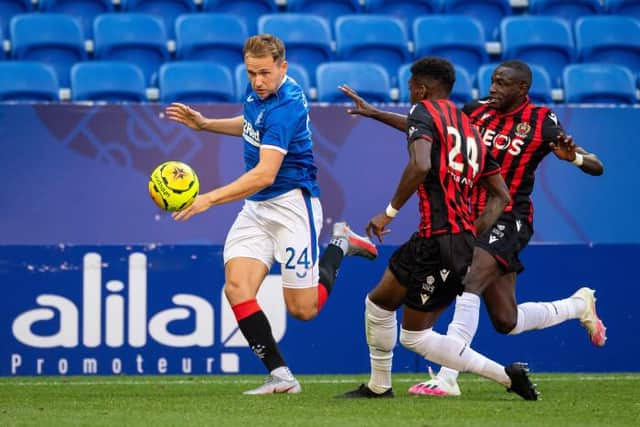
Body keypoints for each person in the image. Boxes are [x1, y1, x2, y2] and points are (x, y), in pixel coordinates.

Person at [338, 59, 606, 397]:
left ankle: (448, 377)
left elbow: (596, 165)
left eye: (503, 83)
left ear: (522, 89)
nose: (493, 88)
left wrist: (576, 158)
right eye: (493, 81)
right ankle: (577, 306)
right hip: (469, 214)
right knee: (506, 320)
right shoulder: (474, 112)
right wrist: (376, 114)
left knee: (473, 277)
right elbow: (427, 127)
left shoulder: (541, 122)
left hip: (509, 215)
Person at [165, 34, 378, 395]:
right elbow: (250, 124)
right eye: (251, 73)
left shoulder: (286, 107)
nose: (258, 81)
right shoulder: (261, 93)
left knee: (303, 310)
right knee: (236, 287)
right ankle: (280, 375)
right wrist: (207, 125)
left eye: (265, 73)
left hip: (292, 206)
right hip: (257, 209)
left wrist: (208, 199)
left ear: (284, 67)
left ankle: (340, 243)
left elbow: (265, 173)